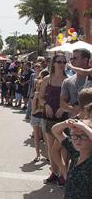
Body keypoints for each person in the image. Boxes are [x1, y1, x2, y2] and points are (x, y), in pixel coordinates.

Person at [39, 53, 68, 186]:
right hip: (49, 117)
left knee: (63, 148)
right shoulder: (46, 79)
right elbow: (40, 97)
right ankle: (54, 173)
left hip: (64, 118)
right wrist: (46, 105)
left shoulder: (69, 80)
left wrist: (64, 108)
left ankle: (64, 174)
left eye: (64, 62)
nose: (62, 64)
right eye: (59, 62)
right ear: (54, 64)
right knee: (51, 148)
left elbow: (73, 99)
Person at [30, 66, 48, 162]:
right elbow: (33, 110)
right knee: (37, 136)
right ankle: (37, 155)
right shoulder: (36, 95)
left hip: (43, 117)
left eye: (40, 86)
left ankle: (48, 155)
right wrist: (36, 98)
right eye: (37, 86)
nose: (38, 88)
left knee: (46, 137)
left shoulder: (46, 95)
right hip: (36, 117)